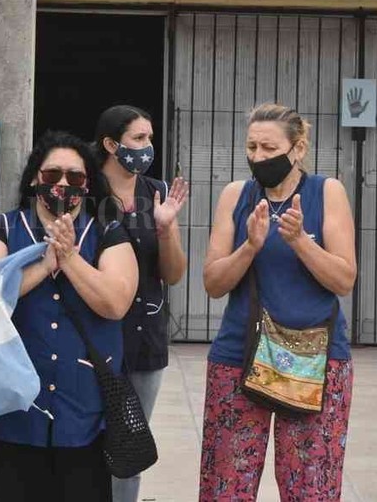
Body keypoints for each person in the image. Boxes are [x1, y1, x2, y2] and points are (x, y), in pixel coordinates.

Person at [0, 130, 139, 502]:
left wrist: (70, 258)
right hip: (15, 408)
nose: (63, 184)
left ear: (87, 184)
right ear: (35, 179)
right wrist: (44, 267)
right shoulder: (5, 227)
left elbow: (116, 302)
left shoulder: (107, 232)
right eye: (52, 175)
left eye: (75, 178)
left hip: (84, 413)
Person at [199, 103, 356, 500]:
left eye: (269, 148)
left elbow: (344, 278)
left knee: (311, 484)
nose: (258, 157)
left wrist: (300, 241)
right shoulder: (236, 195)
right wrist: (250, 247)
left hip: (314, 358)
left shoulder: (327, 192)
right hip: (240, 353)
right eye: (251, 147)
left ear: (298, 148)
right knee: (226, 484)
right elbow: (213, 283)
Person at [93, 105, 188, 502]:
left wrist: (165, 230)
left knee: (131, 441)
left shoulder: (158, 193)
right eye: (139, 138)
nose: (147, 147)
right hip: (97, 335)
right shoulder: (86, 190)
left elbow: (175, 273)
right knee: (88, 436)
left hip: (146, 335)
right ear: (111, 144)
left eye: (149, 138)